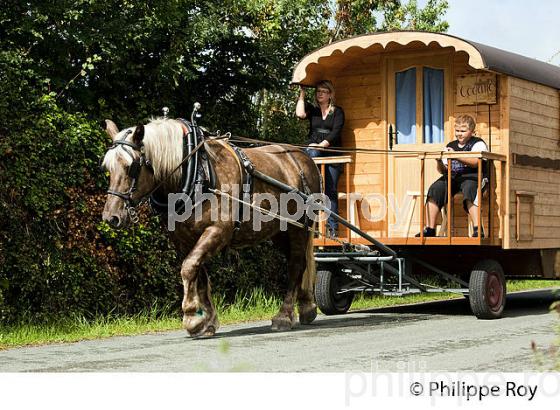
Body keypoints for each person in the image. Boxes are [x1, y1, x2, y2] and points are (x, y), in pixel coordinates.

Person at [416, 114, 488, 238]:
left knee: (470, 188)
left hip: (474, 176)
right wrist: (439, 162)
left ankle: (477, 229)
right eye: (457, 131)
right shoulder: (451, 145)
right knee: (435, 188)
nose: (459, 134)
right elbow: (443, 170)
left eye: (463, 131)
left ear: (472, 132)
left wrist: (456, 155)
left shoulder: (478, 143)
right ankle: (430, 229)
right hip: (453, 176)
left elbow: (476, 162)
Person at [296, 80, 345, 237]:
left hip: (332, 154)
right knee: (309, 152)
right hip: (314, 150)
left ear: (330, 94)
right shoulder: (314, 110)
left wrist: (322, 144)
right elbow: (300, 114)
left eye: (323, 91)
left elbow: (336, 131)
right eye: (318, 91)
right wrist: (302, 94)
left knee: (330, 190)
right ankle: (311, 183)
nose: (320, 94)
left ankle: (332, 229)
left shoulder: (337, 112)